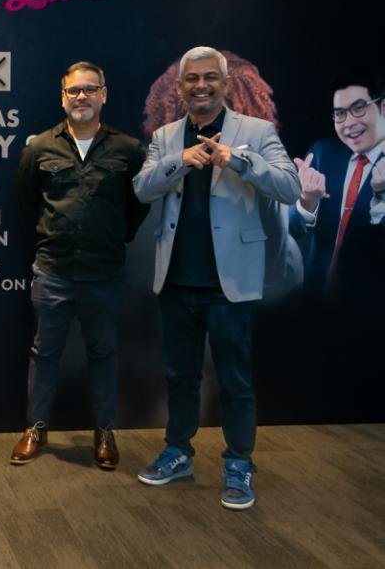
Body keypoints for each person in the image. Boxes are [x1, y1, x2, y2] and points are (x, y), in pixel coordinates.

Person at [132, 46, 300, 510]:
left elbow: (289, 186)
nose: (201, 86)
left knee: (235, 380)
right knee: (180, 376)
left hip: (231, 284)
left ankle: (239, 462)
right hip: (176, 281)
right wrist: (179, 161)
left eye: (210, 78)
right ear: (180, 87)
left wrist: (238, 160)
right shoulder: (166, 135)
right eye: (192, 80)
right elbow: (142, 188)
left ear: (225, 85)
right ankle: (178, 451)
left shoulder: (257, 131)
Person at [12, 61, 148, 468]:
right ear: (63, 97)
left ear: (104, 94)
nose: (82, 97)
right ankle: (35, 427)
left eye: (90, 89)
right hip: (53, 270)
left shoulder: (127, 149)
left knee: (103, 353)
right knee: (45, 353)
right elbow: (27, 203)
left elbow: (137, 207)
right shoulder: (40, 148)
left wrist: (112, 237)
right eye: (74, 91)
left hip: (103, 274)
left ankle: (105, 430)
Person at [289, 70, 385, 308]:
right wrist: (306, 201)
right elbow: (291, 230)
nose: (349, 123)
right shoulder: (322, 153)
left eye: (359, 108)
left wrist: (381, 197)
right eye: (340, 114)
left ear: (383, 107)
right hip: (315, 302)